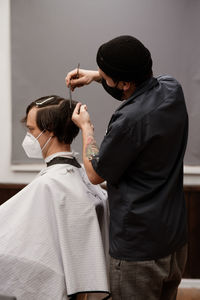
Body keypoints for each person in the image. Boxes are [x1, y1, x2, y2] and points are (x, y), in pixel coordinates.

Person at [66, 35, 188, 300]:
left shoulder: (129, 121)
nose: (102, 78)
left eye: (105, 76)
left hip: (139, 252)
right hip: (175, 241)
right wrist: (96, 76)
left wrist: (87, 128)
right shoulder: (171, 88)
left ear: (124, 83)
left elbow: (95, 173)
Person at [0, 96, 111, 300]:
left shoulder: (50, 184)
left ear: (49, 130)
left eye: (32, 130)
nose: (29, 136)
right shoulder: (84, 179)